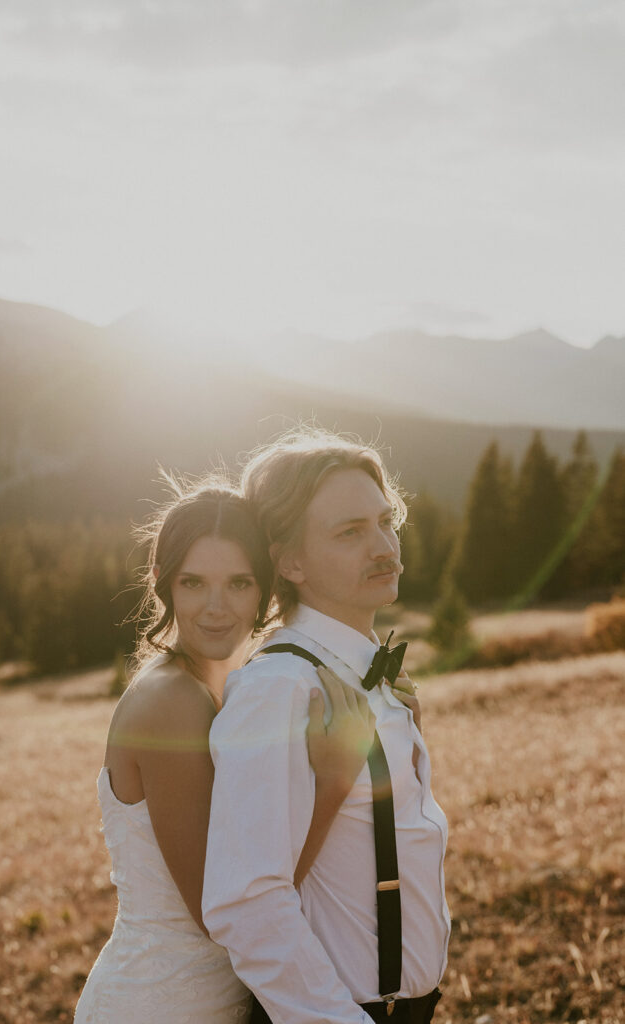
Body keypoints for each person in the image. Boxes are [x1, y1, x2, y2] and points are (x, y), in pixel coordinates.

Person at [74, 477, 376, 1024]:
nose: (216, 608)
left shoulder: (234, 682)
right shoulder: (170, 702)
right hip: (160, 1005)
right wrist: (334, 783)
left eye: (238, 583)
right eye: (194, 583)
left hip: (221, 1001)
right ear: (164, 585)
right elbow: (224, 909)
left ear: (265, 587)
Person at [203, 431, 450, 1024]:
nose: (384, 546)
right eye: (350, 532)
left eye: (385, 522)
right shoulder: (279, 689)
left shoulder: (367, 669)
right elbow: (247, 901)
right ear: (288, 561)